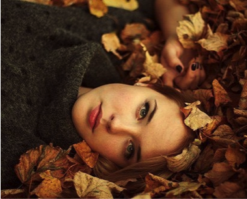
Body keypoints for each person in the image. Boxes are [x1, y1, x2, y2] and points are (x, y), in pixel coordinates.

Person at [0, 0, 200, 191]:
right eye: (143, 111)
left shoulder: (26, 161)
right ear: (147, 84)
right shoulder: (117, 38)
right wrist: (180, 40)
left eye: (130, 149)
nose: (116, 125)